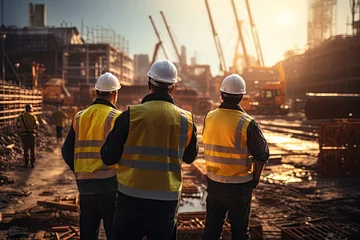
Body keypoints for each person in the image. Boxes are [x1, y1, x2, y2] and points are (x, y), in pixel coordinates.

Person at [101, 59, 199, 240]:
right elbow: (190, 157)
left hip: (130, 200)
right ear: (172, 88)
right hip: (166, 202)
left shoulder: (129, 116)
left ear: (148, 84)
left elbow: (108, 157)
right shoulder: (186, 120)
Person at [202, 74, 269, 240]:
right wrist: (255, 178)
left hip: (214, 185)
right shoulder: (247, 122)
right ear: (241, 96)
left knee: (211, 232)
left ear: (221, 94)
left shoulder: (209, 117)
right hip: (239, 188)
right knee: (240, 233)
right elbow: (262, 155)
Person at [62, 72, 121, 240]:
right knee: (114, 233)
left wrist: (80, 171)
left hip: (85, 187)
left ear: (95, 92)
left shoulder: (79, 117)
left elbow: (66, 151)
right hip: (110, 186)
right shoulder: (117, 117)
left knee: (87, 234)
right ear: (115, 94)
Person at [17, 104, 39, 168]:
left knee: (25, 149)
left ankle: (26, 163)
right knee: (32, 149)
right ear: (30, 109)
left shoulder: (20, 117)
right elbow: (37, 126)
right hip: (32, 135)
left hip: (24, 135)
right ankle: (32, 163)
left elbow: (18, 126)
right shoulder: (33, 117)